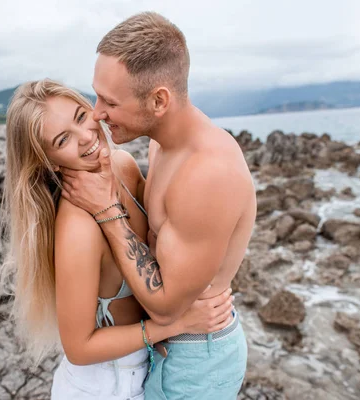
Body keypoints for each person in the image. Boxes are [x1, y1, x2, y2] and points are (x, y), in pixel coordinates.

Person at [59, 12, 257, 400]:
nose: (97, 113)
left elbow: (167, 308)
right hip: (171, 348)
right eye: (95, 96)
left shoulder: (207, 173)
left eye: (109, 102)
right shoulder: (160, 144)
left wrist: (105, 212)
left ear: (159, 100)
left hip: (196, 359)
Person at [0, 79, 236, 400]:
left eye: (81, 117)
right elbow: (79, 348)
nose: (86, 137)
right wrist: (174, 326)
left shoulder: (122, 165)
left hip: (144, 371)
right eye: (63, 139)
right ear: (49, 160)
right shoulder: (78, 227)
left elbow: (161, 241)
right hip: (105, 385)